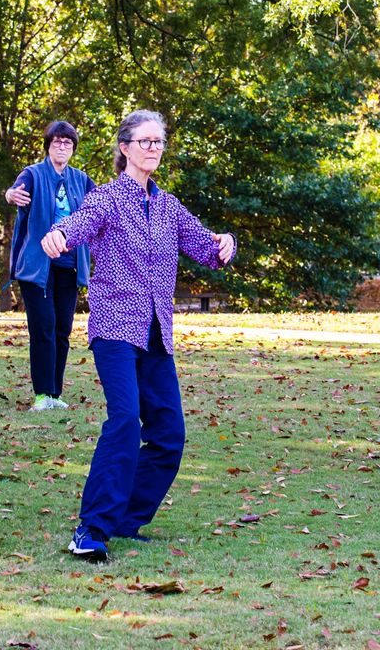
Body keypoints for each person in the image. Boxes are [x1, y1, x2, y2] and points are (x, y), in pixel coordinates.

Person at [41, 109, 236, 561]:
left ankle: (126, 520)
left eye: (159, 142)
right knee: (126, 421)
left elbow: (207, 246)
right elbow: (79, 223)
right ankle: (90, 529)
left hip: (156, 334)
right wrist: (59, 235)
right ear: (124, 148)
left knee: (169, 434)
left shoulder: (169, 206)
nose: (153, 148)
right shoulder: (107, 198)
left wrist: (225, 243)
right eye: (145, 141)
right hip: (114, 329)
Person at [5, 121, 97, 411]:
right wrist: (10, 195)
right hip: (37, 267)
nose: (62, 147)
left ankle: (55, 394)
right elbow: (15, 191)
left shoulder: (81, 179)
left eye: (67, 143)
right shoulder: (33, 174)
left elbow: (102, 206)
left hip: (69, 265)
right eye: (57, 142)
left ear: (73, 148)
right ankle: (42, 394)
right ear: (48, 145)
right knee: (43, 327)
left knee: (62, 330)